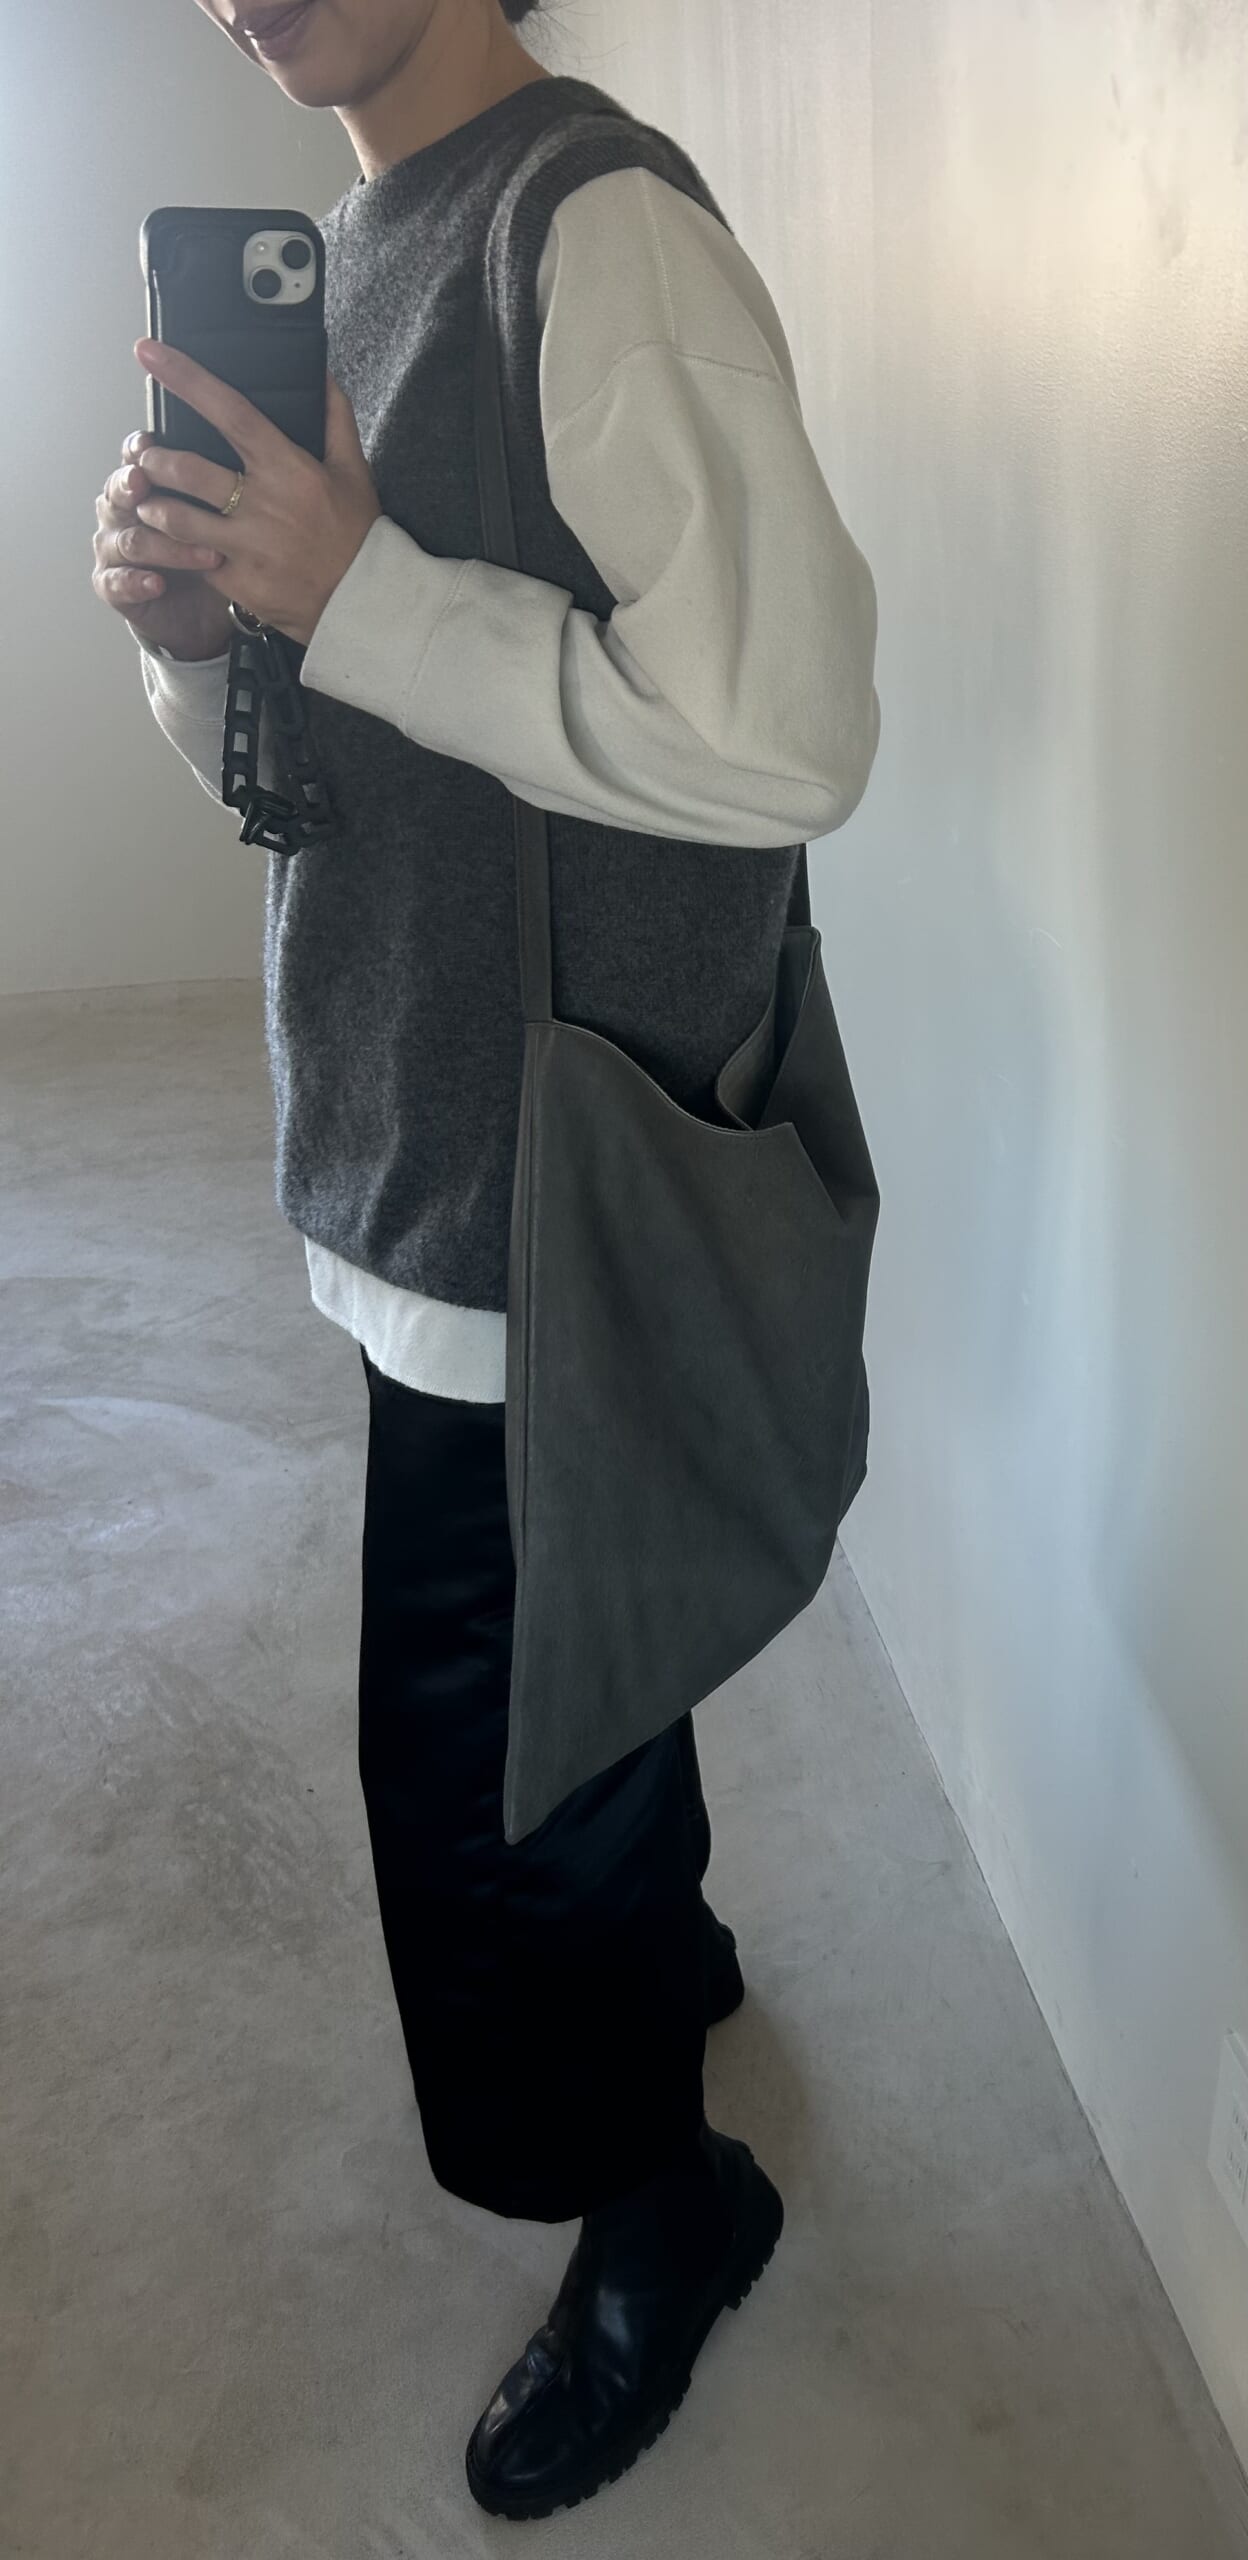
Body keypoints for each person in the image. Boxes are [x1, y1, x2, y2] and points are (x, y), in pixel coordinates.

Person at [91, 0, 881, 2521]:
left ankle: (663, 2202)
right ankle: (671, 1943)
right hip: (414, 1118)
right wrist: (204, 631)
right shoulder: (350, 256)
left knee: (482, 1786)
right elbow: (320, 764)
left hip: (544, 1164)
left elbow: (786, 733)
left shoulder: (594, 228)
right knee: (570, 1647)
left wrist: (364, 585)